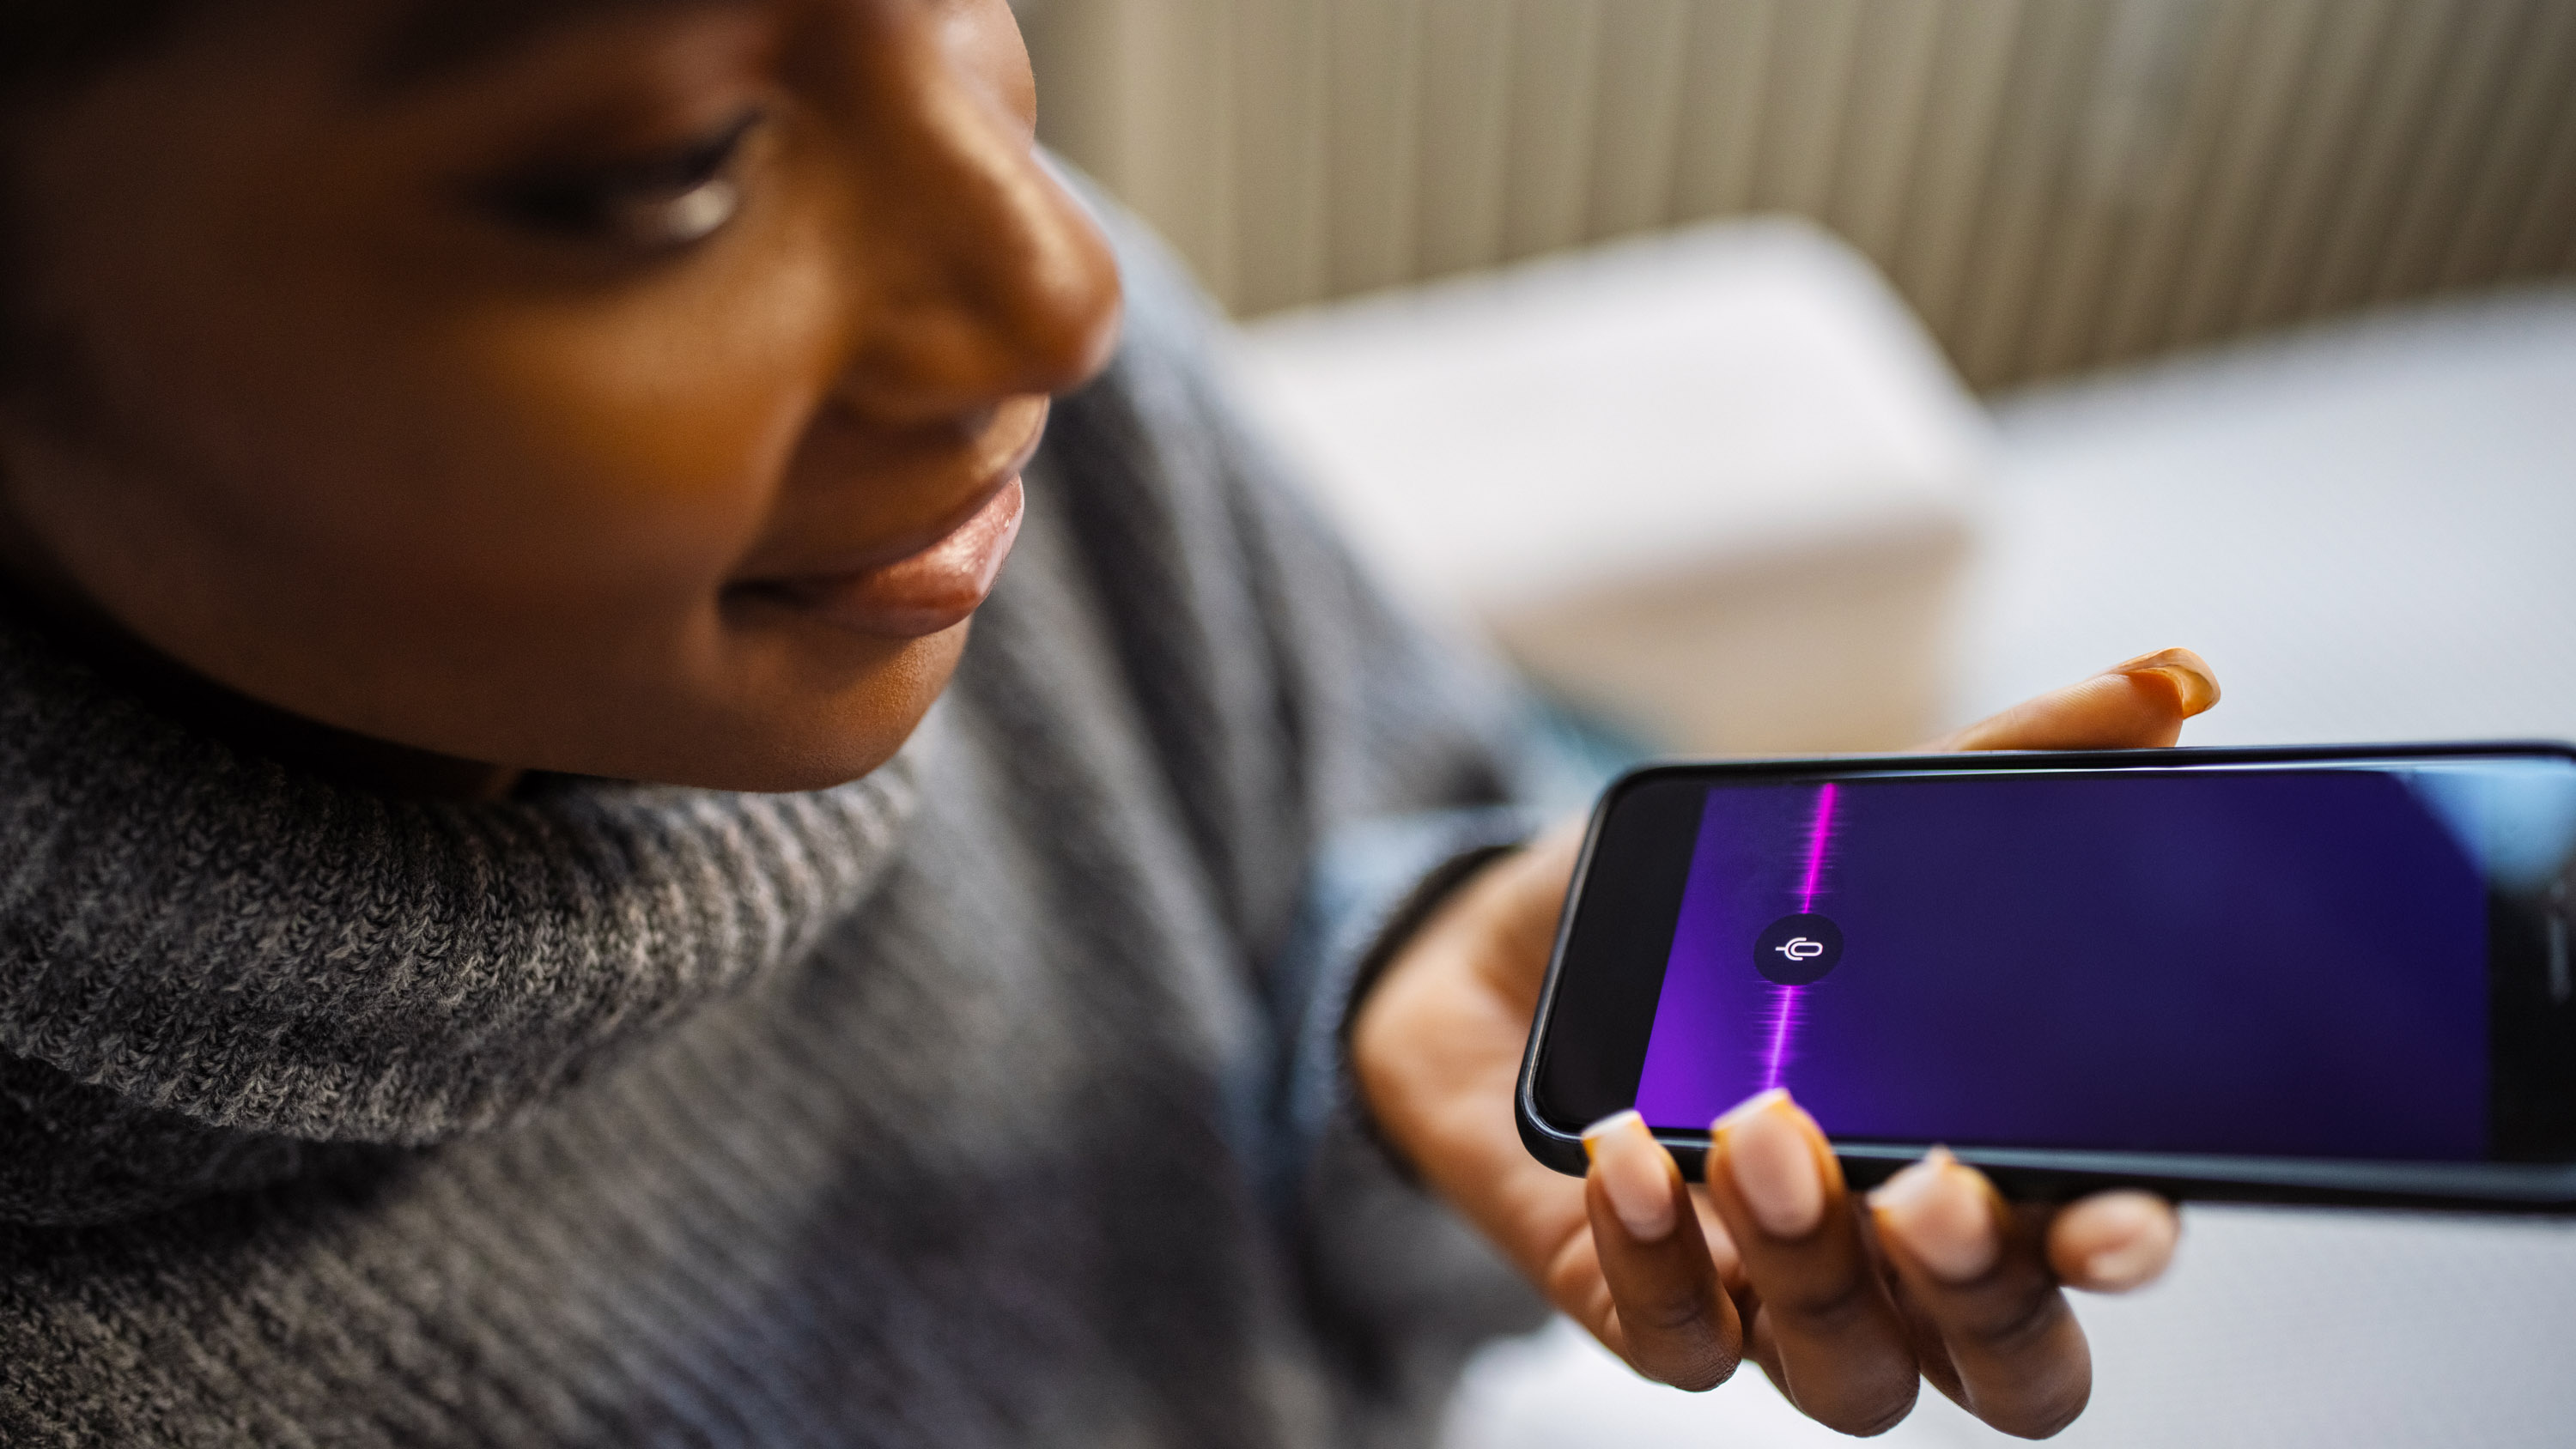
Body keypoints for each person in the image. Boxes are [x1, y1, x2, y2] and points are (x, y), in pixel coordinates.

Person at [0, 0, 2200, 1441]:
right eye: (658, 174)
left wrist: (1401, 1017)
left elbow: (1364, 917)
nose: (1063, 292)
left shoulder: (1025, 463)